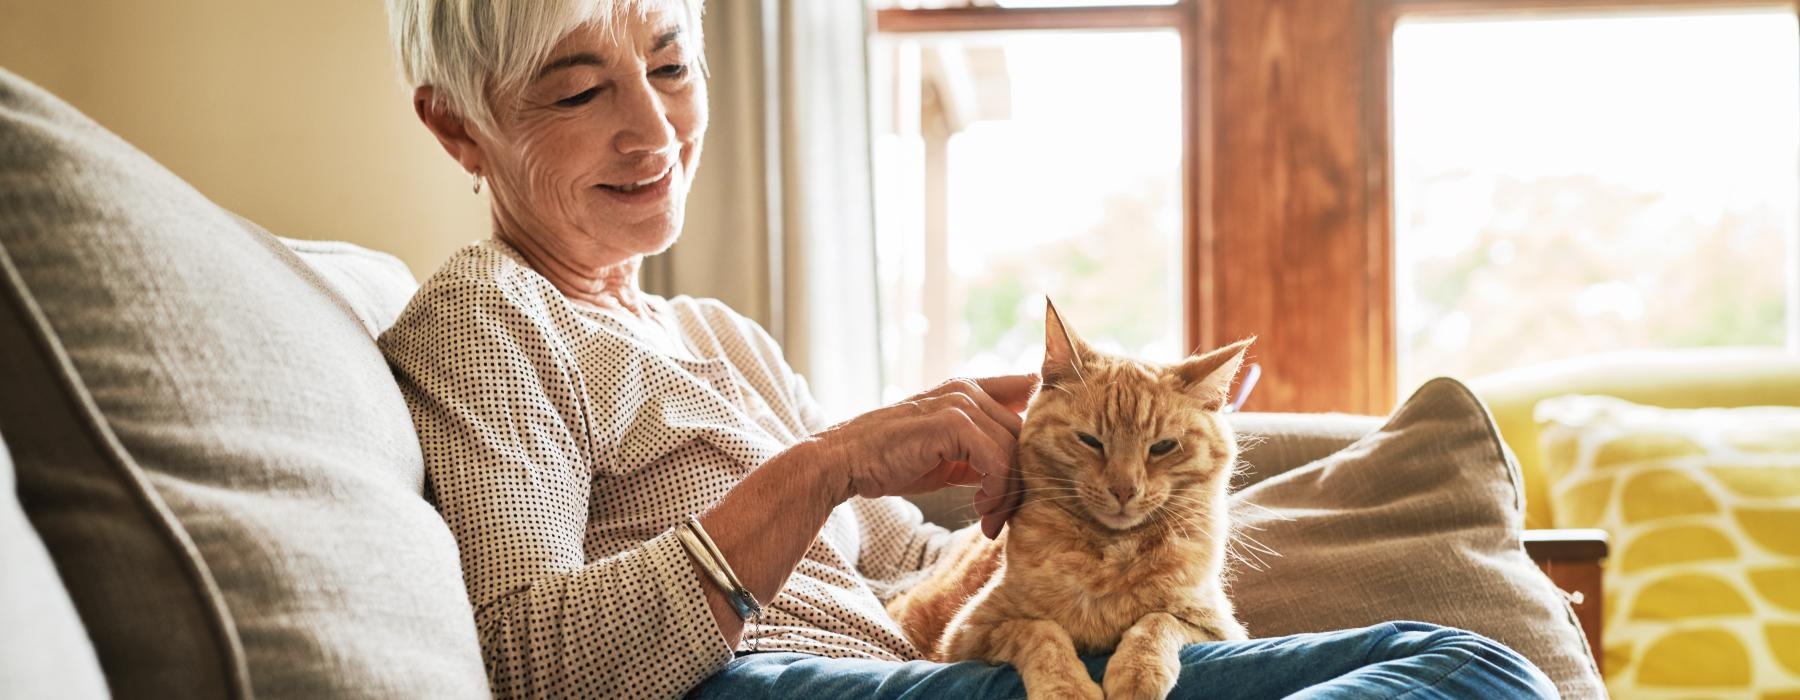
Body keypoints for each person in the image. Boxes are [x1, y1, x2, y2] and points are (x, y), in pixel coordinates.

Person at [377, 1, 1559, 698]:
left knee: (1464, 661)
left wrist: (1032, 460)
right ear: (454, 127)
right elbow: (530, 662)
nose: (652, 128)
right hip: (767, 689)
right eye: (579, 89)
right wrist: (830, 458)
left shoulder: (709, 332)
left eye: (671, 65)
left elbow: (900, 567)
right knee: (1470, 678)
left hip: (911, 673)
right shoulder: (488, 317)